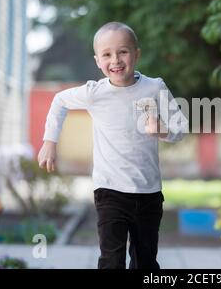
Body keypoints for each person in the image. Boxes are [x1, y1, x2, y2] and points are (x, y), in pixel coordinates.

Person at [38, 22, 187, 269]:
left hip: (148, 192)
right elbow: (59, 101)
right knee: (111, 260)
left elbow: (180, 128)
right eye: (107, 54)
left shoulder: (154, 87)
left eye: (123, 52)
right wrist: (49, 141)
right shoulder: (94, 93)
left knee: (146, 261)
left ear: (136, 54)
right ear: (98, 61)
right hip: (109, 190)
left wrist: (163, 130)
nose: (115, 60)